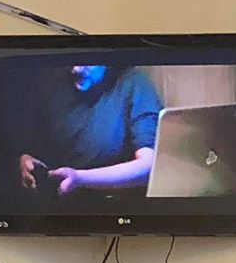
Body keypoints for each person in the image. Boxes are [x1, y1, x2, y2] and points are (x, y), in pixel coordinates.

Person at [12, 64, 162, 199]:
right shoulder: (57, 86)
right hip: (60, 204)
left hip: (115, 204)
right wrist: (27, 160)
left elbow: (148, 167)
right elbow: (35, 147)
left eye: (87, 63)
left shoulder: (135, 84)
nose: (76, 69)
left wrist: (80, 179)